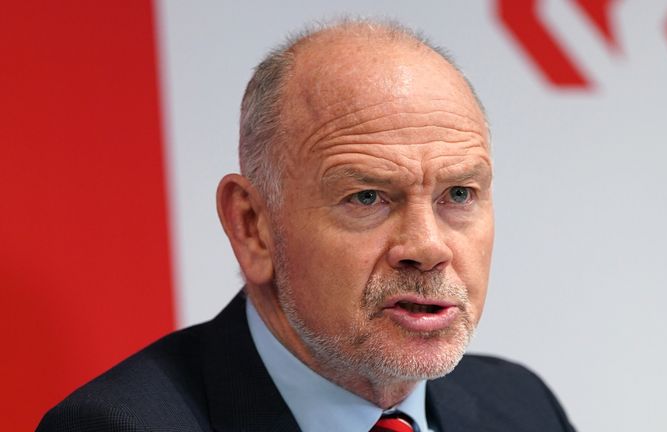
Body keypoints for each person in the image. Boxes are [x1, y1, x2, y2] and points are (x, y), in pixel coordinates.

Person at [38, 19, 576, 432]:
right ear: (251, 225)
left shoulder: (522, 406)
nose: (427, 247)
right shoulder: (118, 425)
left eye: (458, 194)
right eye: (367, 197)